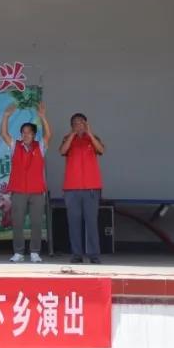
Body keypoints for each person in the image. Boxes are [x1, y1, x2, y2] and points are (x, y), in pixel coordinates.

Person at [1, 102, 53, 263]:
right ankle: (18, 252)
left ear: (34, 135)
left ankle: (35, 252)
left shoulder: (40, 147)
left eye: (29, 132)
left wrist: (43, 117)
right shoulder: (15, 146)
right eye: (23, 132)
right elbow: (4, 134)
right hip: (18, 191)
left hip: (37, 191)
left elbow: (48, 135)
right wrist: (6, 116)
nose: (26, 135)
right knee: (17, 223)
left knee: (36, 223)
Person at [59, 113, 105, 264]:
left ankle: (94, 255)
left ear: (86, 124)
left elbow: (101, 150)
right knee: (74, 222)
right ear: (71, 125)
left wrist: (89, 133)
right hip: (72, 189)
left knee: (91, 222)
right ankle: (76, 254)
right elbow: (62, 151)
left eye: (81, 122)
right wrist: (72, 134)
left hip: (91, 187)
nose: (79, 125)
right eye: (75, 123)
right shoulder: (68, 138)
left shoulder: (93, 138)